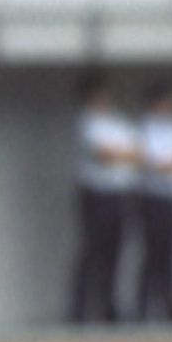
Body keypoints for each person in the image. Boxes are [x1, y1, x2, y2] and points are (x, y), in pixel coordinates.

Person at [68, 71, 138, 325]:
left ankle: (109, 307)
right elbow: (104, 155)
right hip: (96, 194)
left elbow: (138, 153)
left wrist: (123, 154)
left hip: (120, 194)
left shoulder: (117, 122)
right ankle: (79, 309)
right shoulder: (86, 122)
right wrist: (123, 154)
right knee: (91, 252)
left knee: (115, 252)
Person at [134, 78, 172, 324]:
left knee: (170, 253)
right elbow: (158, 164)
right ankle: (144, 307)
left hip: (171, 197)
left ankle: (170, 306)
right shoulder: (145, 128)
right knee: (152, 253)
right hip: (151, 198)